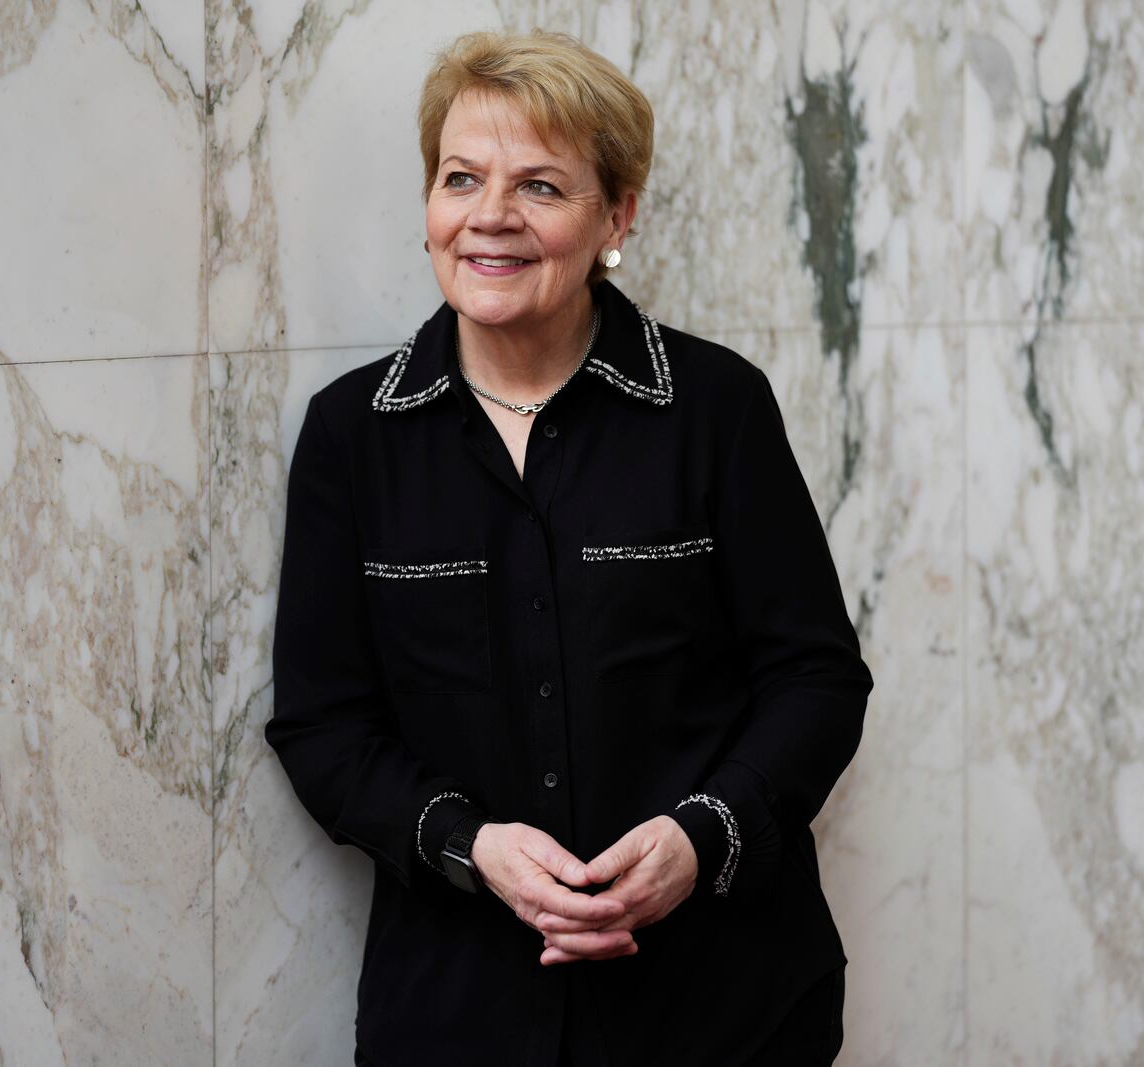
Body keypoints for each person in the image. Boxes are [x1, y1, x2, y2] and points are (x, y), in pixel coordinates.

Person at [266, 27, 872, 1067]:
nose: (490, 215)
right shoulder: (352, 436)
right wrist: (471, 845)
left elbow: (815, 679)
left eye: (540, 186)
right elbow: (323, 727)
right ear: (429, 209)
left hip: (725, 1009)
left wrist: (701, 836)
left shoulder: (716, 408)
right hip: (457, 1017)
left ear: (616, 217)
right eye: (461, 178)